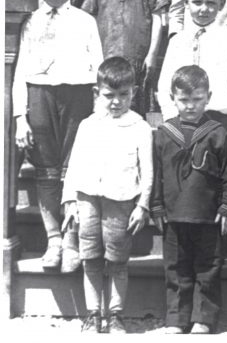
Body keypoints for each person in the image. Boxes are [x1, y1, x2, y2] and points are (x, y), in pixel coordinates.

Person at [13, 0, 102, 273]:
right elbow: (20, 71)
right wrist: (21, 118)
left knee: (72, 172)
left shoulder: (85, 22)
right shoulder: (30, 23)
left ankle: (72, 240)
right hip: (40, 98)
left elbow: (100, 69)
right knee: (47, 173)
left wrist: (99, 113)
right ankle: (53, 240)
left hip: (77, 98)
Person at [61, 57, 153, 333]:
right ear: (96, 93)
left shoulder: (140, 128)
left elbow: (147, 171)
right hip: (88, 200)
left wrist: (143, 205)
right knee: (90, 257)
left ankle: (114, 314)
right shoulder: (88, 126)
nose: (116, 102)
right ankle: (92, 314)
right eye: (109, 95)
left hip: (121, 201)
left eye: (123, 95)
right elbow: (74, 165)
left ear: (134, 93)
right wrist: (70, 203)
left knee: (117, 260)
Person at [151, 65, 227, 334]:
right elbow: (155, 174)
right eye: (184, 100)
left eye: (197, 99)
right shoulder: (164, 133)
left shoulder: (216, 133)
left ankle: (204, 318)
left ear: (208, 97)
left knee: (208, 268)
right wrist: (156, 205)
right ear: (172, 98)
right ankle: (177, 318)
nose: (190, 106)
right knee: (176, 269)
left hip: (208, 216)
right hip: (174, 215)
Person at [82, 0, 168, 117]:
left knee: (135, 110)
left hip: (137, 60)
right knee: (105, 109)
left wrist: (152, 54)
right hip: (105, 59)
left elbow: (157, 17)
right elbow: (87, 20)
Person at [157, 0, 227, 142]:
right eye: (197, 2)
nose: (204, 9)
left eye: (211, 3)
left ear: (221, 5)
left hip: (219, 118)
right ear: (186, 3)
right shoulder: (178, 40)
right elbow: (164, 83)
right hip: (183, 117)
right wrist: (170, 117)